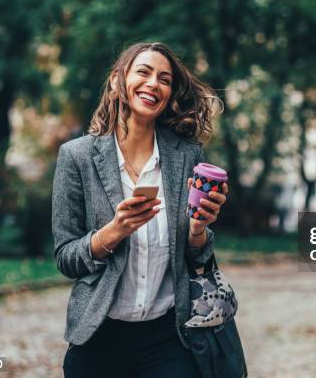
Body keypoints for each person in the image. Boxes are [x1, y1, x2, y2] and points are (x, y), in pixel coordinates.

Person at [52, 42, 227, 377]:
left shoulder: (187, 156)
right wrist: (114, 230)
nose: (153, 84)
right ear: (119, 81)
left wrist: (199, 229)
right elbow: (66, 257)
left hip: (168, 337)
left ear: (169, 94)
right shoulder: (77, 157)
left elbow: (198, 258)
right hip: (100, 335)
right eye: (143, 72)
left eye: (164, 79)